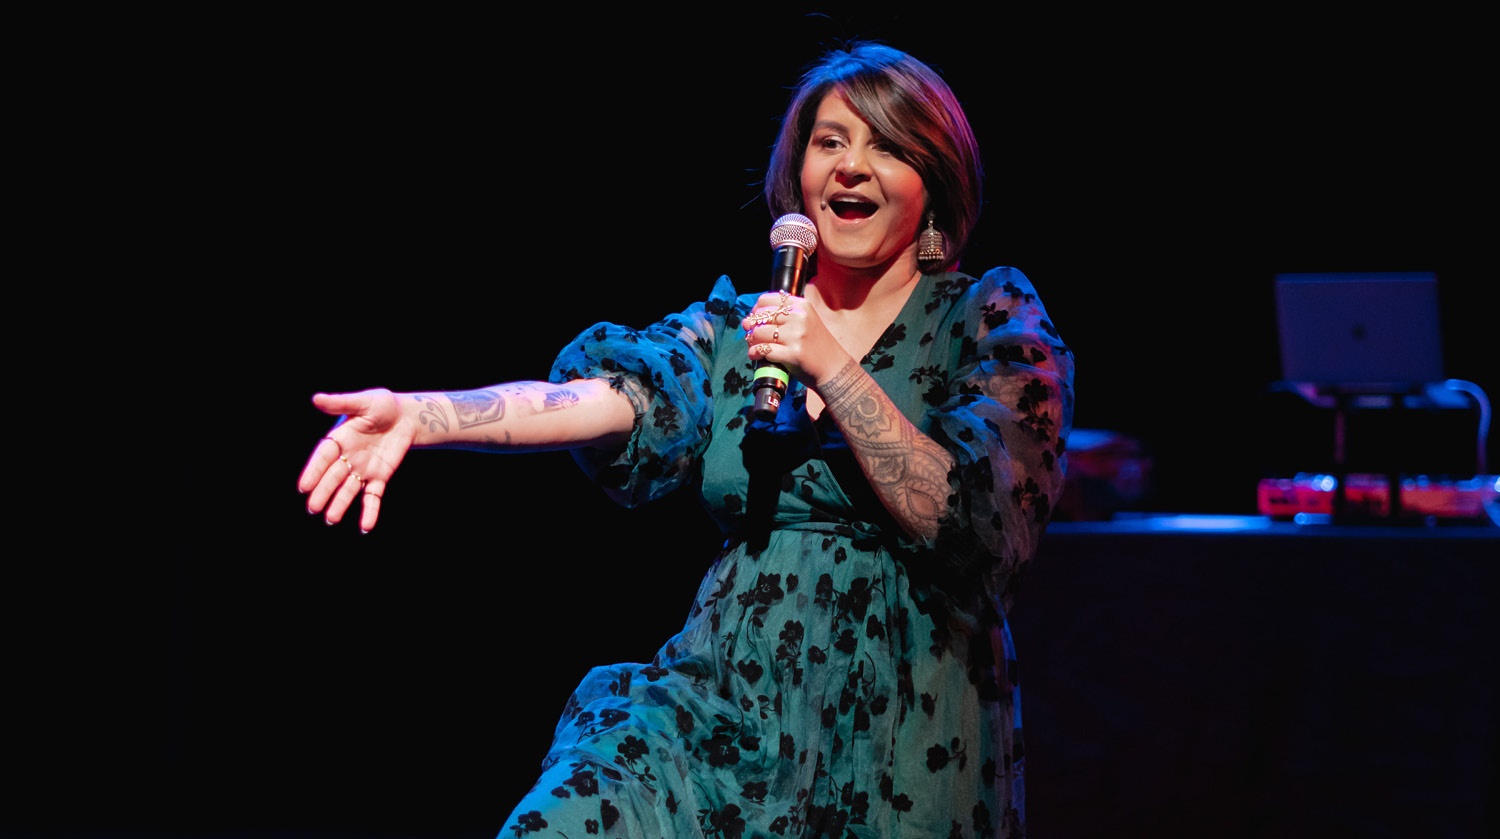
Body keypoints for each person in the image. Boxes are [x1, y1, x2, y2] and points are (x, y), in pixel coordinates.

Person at [298, 40, 1074, 839]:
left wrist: (831, 364)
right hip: (722, 712)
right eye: (830, 141)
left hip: (907, 728)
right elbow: (604, 397)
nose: (850, 166)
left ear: (935, 184)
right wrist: (426, 415)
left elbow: (976, 523)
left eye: (885, 145)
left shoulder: (984, 320)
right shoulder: (740, 327)